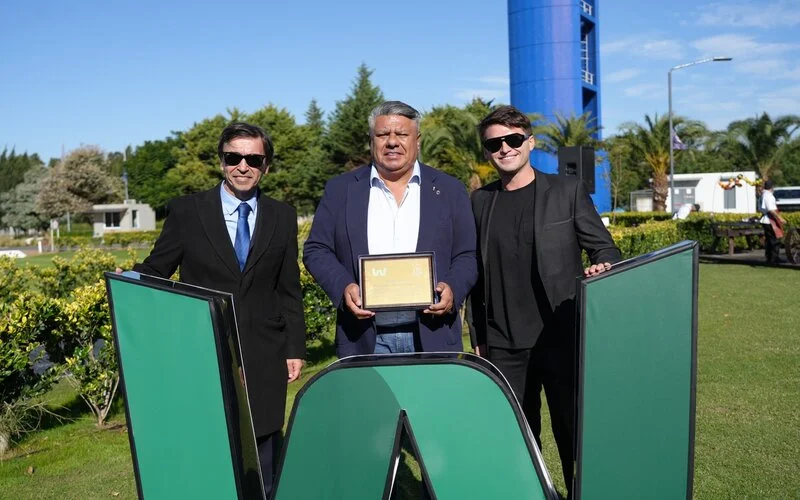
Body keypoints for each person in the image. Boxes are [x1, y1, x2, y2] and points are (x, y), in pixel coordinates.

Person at [130, 122, 305, 496]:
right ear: (221, 161)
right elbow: (157, 269)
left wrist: (295, 348)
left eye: (253, 159)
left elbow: (289, 288)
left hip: (265, 352)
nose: (243, 166)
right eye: (234, 157)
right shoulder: (187, 212)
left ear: (266, 165)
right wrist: (127, 281)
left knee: (264, 451)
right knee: (210, 444)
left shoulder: (282, 215)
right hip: (203, 352)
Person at [468, 105, 621, 497]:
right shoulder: (480, 201)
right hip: (503, 343)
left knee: (572, 433)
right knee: (517, 437)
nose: (505, 148)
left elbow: (604, 248)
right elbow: (474, 275)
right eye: (494, 144)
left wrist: (602, 266)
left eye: (513, 139)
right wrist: (478, 334)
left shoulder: (566, 191)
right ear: (487, 151)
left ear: (530, 142)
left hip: (560, 335)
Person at [303, 101, 477, 357]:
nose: (392, 142)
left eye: (402, 134)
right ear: (371, 141)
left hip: (432, 335)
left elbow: (467, 255)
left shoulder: (449, 190)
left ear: (417, 140)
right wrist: (343, 287)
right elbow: (317, 249)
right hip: (363, 339)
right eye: (383, 134)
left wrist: (453, 287)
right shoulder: (341, 190)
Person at [760, 179, 786, 264]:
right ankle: (774, 258)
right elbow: (771, 210)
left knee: (769, 240)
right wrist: (780, 218)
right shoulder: (768, 195)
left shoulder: (763, 194)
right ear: (772, 187)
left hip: (766, 219)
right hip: (770, 220)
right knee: (775, 240)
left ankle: (769, 258)